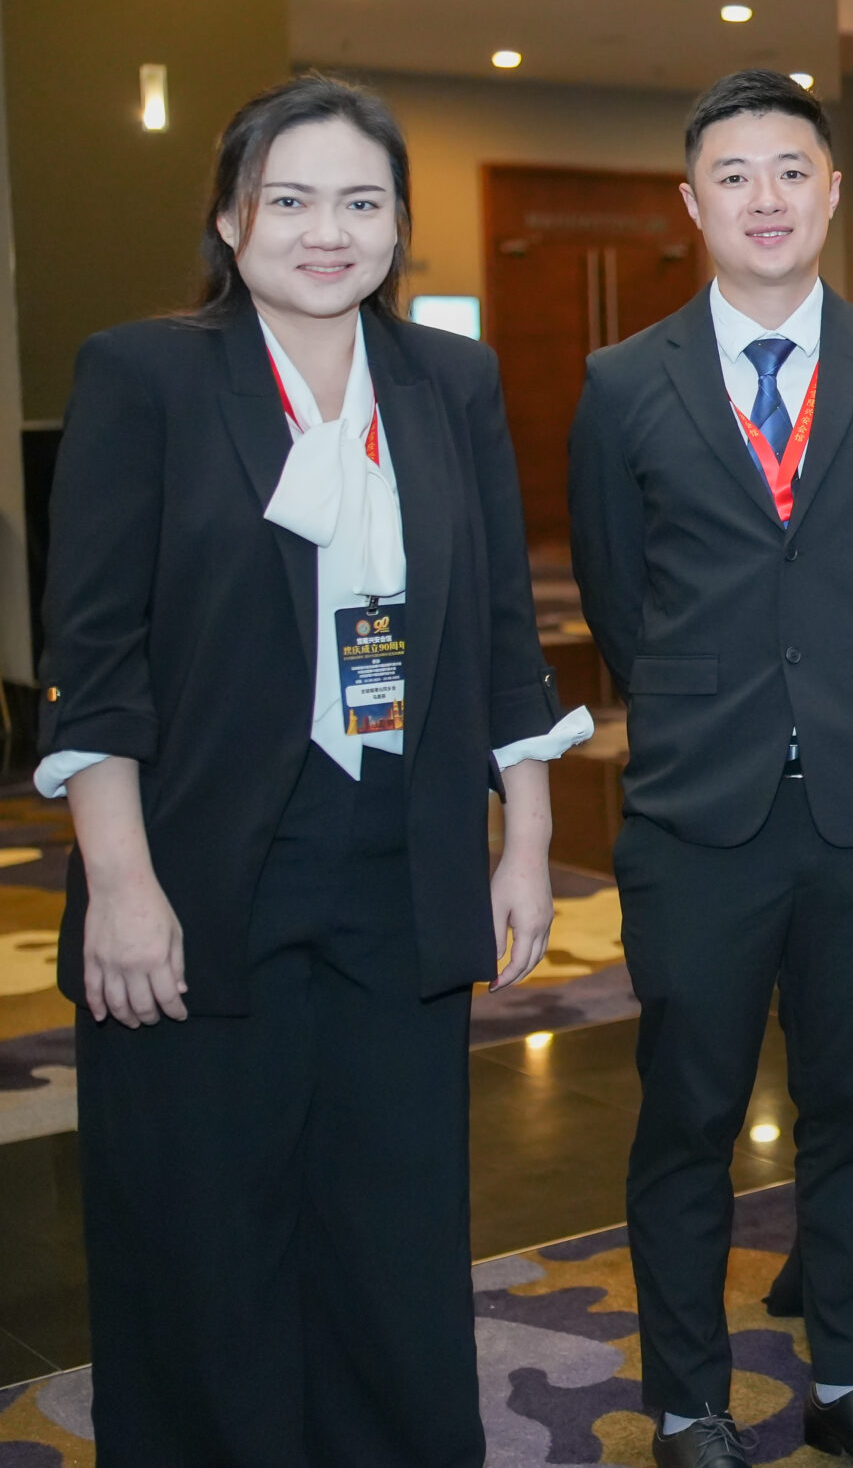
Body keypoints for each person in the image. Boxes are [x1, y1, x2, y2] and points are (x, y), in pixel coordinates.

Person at [40, 73, 587, 1466]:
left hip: (398, 854)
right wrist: (121, 884)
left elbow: (501, 628)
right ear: (231, 218)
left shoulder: (448, 380)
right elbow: (96, 657)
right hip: (198, 864)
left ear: (399, 225)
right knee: (205, 1228)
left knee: (392, 1220)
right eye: (289, 200)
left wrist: (524, 839)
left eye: (361, 202)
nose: (326, 232)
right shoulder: (146, 376)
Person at [569, 70, 853, 1468]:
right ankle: (688, 1402)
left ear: (830, 191)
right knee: (687, 1116)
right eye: (733, 175)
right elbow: (620, 596)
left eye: (790, 170)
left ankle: (848, 1379)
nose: (764, 198)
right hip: (698, 813)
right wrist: (720, 710)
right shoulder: (622, 381)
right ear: (692, 203)